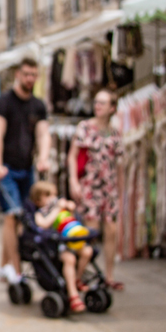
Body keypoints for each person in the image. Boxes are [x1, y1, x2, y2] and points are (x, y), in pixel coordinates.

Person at [0, 57, 50, 284]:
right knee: (12, 214)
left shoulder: (38, 105)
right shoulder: (4, 102)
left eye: (33, 75)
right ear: (18, 75)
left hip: (27, 168)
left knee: (22, 218)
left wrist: (43, 158)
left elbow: (43, 134)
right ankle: (16, 271)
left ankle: (2, 266)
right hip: (5, 169)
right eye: (26, 74)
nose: (30, 79)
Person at [68, 88, 124, 291]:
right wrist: (74, 181)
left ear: (112, 108)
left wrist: (121, 191)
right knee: (91, 231)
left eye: (102, 103)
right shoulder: (84, 127)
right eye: (96, 102)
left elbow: (119, 164)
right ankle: (81, 274)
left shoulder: (115, 132)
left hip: (109, 187)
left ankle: (109, 275)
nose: (97, 106)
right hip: (90, 185)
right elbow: (73, 156)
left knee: (111, 230)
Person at [30, 181, 93, 313]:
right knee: (69, 259)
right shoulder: (41, 213)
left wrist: (71, 208)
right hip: (58, 246)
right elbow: (43, 224)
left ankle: (77, 279)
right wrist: (56, 209)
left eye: (54, 195)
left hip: (73, 240)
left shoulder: (61, 209)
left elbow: (73, 220)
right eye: (47, 196)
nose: (52, 198)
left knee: (88, 251)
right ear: (37, 200)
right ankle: (73, 295)